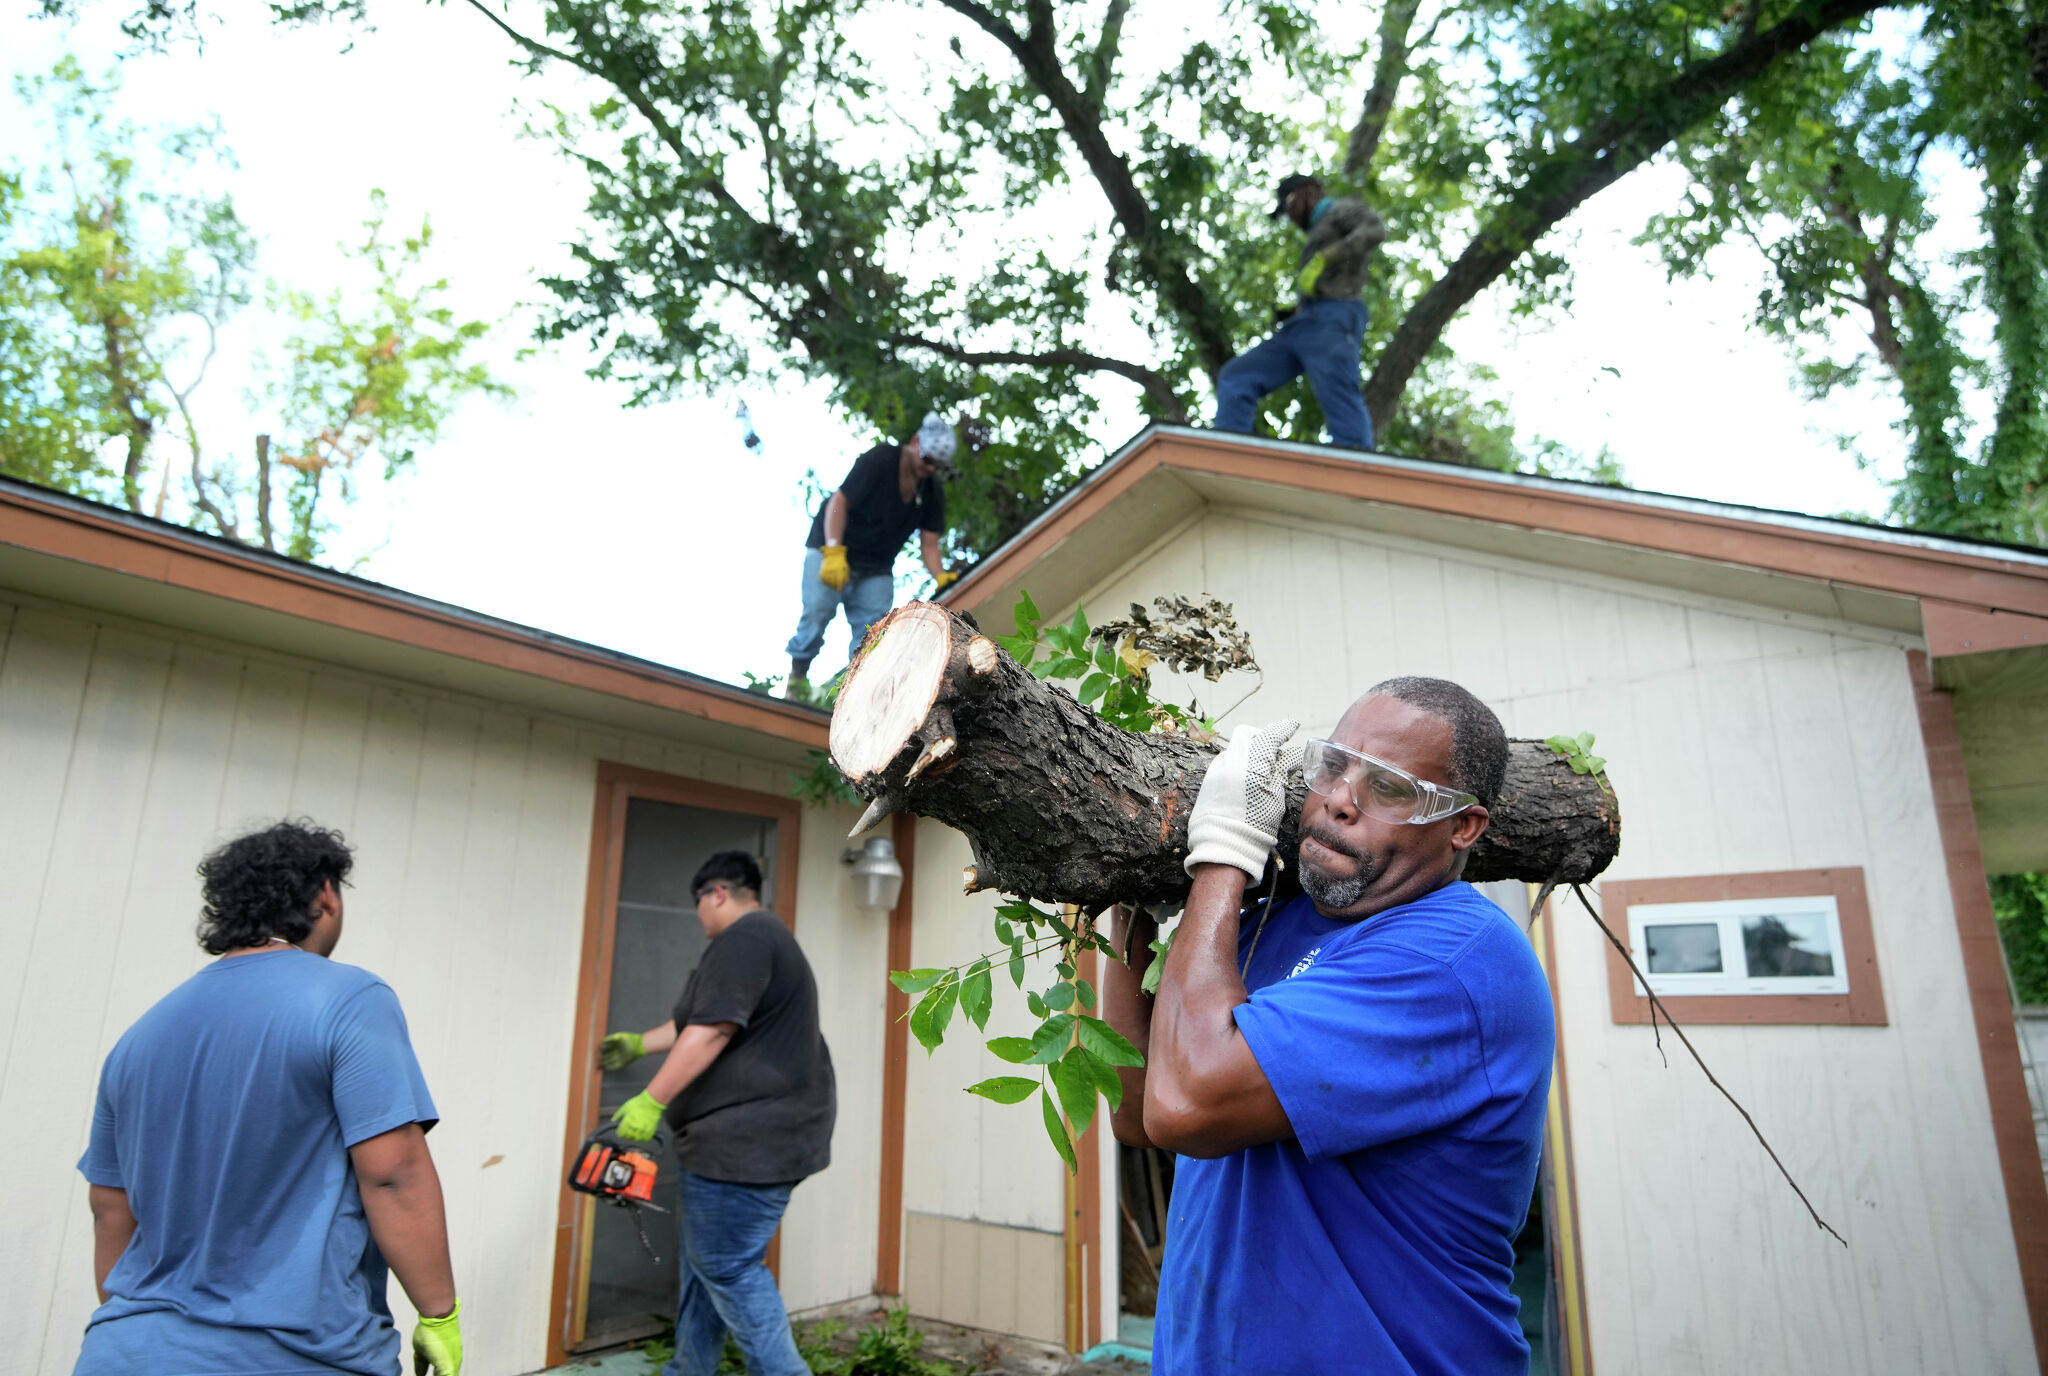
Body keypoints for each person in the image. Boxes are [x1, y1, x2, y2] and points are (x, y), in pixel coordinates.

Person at [1103, 678, 1555, 1376]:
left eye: (1390, 788)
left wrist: (1221, 851)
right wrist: (1125, 891)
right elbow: (1139, 1114)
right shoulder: (1266, 925)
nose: (1341, 800)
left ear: (1463, 826)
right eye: (1335, 765)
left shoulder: (1456, 961)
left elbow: (1185, 1105)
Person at [74, 821, 461, 1376]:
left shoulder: (138, 1038)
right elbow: (393, 1173)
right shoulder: (350, 1000)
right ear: (325, 894)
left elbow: (110, 1208)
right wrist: (438, 1316)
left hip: (124, 1352)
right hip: (293, 1356)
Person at [598, 850, 836, 1376]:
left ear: (718, 894)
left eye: (698, 904)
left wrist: (650, 1100)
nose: (699, 916)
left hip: (746, 1144)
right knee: (704, 1266)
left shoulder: (745, 939)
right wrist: (639, 1044)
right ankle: (689, 1369)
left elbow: (713, 1030)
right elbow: (697, 1023)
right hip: (756, 1141)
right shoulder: (763, 940)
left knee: (725, 1266)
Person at [785, 411, 959, 692]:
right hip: (832, 547)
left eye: (937, 465)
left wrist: (941, 576)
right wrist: (833, 551)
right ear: (915, 442)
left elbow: (929, 543)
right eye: (927, 460)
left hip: (876, 568)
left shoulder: (931, 493)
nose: (930, 469)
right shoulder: (880, 460)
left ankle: (858, 691)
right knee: (818, 612)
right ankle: (796, 678)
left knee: (874, 633)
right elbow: (838, 504)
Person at [1214, 172, 1386, 450]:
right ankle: (1225, 451)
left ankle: (1356, 463)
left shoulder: (1340, 210)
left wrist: (1331, 255)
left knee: (1338, 395)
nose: (1290, 217)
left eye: (1289, 205)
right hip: (1304, 323)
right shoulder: (1317, 230)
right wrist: (1294, 310)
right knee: (1236, 378)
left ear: (1309, 192)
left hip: (1334, 317)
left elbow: (1375, 230)